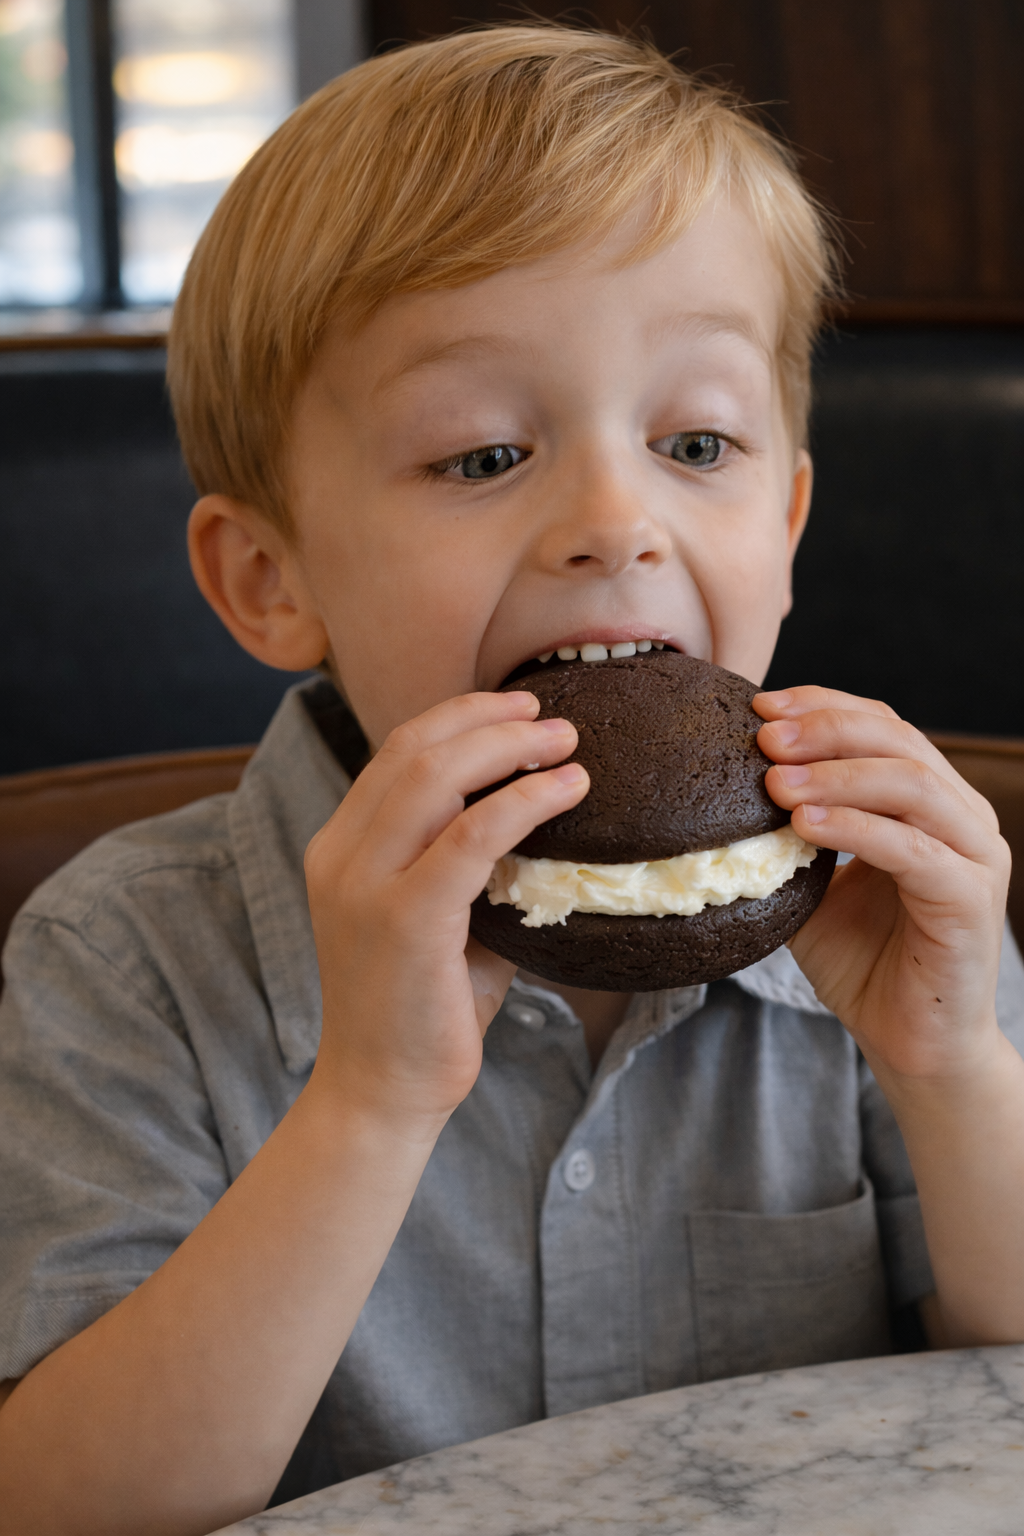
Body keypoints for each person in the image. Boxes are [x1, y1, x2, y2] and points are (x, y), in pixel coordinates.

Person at [0, 26, 1020, 1536]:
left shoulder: (876, 920)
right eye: (482, 456)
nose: (617, 522)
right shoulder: (127, 956)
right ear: (272, 577)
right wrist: (369, 1101)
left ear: (789, 524)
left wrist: (955, 1071)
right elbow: (61, 1505)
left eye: (697, 440)